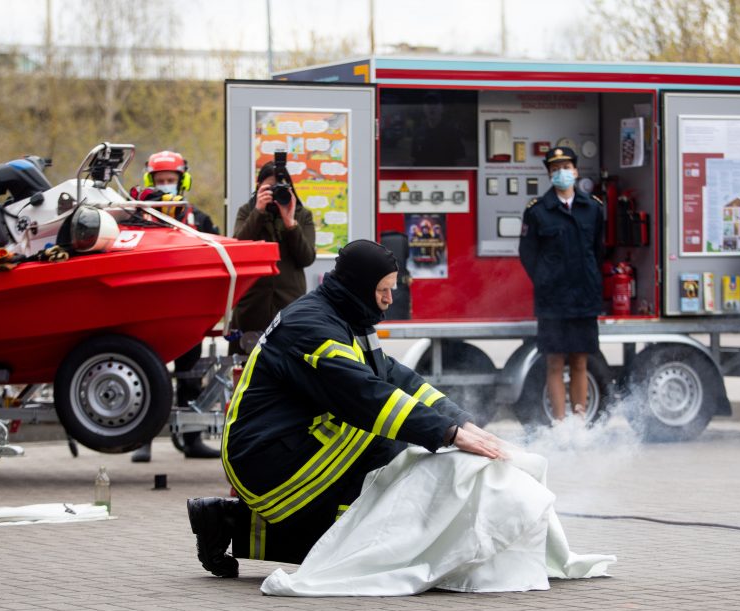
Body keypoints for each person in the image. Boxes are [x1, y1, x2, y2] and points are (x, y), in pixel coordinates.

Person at [186, 240, 506, 577]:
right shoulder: (311, 328)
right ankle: (368, 544)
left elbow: (395, 377)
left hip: (290, 447)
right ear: (360, 286)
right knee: (384, 443)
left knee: (377, 465)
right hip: (265, 460)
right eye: (383, 289)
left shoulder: (349, 315)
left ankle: (226, 522)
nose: (389, 299)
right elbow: (366, 396)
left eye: (391, 289)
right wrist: (446, 433)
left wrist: (461, 421)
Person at [131, 150, 221, 462]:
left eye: (171, 180)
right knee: (148, 377)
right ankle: (143, 441)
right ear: (150, 181)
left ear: (182, 182)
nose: (166, 186)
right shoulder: (138, 217)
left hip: (188, 312)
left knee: (190, 377)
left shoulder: (200, 219)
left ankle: (192, 438)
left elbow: (219, 256)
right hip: (150, 312)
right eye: (161, 181)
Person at [519, 147, 604, 422]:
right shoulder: (538, 211)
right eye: (555, 169)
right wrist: (545, 280)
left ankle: (578, 424)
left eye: (566, 167)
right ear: (549, 174)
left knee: (580, 360)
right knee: (554, 362)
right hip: (552, 301)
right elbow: (527, 254)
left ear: (576, 171)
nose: (561, 173)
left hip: (584, 298)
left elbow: (599, 250)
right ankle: (560, 424)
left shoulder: (592, 208)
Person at [230, 159, 316, 353]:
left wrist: (290, 223)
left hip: (289, 304)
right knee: (247, 364)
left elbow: (307, 258)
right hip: (252, 305)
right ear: (259, 187)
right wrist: (258, 213)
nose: (275, 194)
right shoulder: (247, 211)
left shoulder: (302, 215)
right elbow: (239, 247)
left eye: (280, 188)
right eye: (270, 188)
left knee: (289, 362)